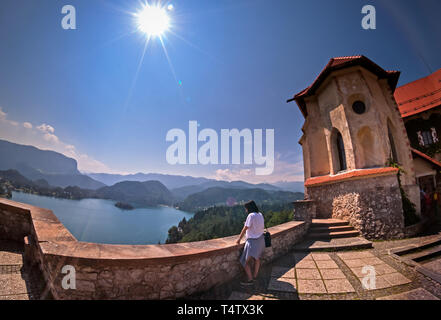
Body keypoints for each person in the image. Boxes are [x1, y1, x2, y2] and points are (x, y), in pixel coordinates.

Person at [236, 200, 265, 286]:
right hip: (260, 240)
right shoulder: (260, 214)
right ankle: (255, 277)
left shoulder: (250, 215)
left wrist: (238, 239)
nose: (245, 210)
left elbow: (245, 228)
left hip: (252, 242)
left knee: (244, 261)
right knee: (257, 259)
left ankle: (250, 279)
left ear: (249, 208)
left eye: (246, 208)